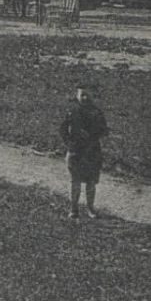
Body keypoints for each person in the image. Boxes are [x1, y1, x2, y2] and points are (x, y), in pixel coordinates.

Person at [60, 83, 110, 220]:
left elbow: (104, 130)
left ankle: (90, 208)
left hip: (92, 151)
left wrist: (94, 135)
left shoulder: (97, 112)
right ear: (77, 96)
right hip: (76, 152)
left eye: (88, 94)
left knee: (91, 182)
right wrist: (69, 144)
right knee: (75, 181)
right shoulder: (72, 111)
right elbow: (63, 130)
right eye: (82, 94)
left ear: (93, 96)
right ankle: (74, 209)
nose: (85, 97)